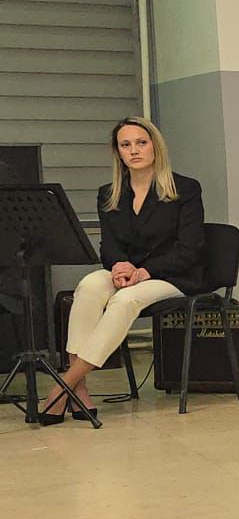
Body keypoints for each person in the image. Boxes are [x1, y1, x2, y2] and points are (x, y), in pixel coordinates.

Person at [41, 117, 205, 423]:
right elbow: (110, 246)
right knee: (89, 286)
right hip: (129, 272)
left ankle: (63, 386)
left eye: (141, 142)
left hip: (172, 275)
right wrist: (118, 266)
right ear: (118, 152)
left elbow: (190, 249)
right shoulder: (109, 193)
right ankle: (81, 391)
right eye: (125, 145)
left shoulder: (184, 189)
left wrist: (144, 271)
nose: (134, 150)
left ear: (155, 146)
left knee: (124, 300)